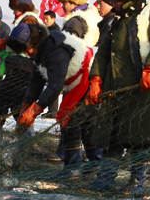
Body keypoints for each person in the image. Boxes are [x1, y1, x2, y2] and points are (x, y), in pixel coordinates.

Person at [86, 0, 150, 194]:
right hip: (116, 91)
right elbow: (103, 53)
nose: (114, 4)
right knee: (113, 138)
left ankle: (137, 181)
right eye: (112, 0)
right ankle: (106, 178)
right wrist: (95, 80)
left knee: (140, 139)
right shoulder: (117, 21)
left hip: (143, 89)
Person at [14, 23, 95, 177]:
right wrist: (26, 105)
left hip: (87, 79)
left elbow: (55, 86)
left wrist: (34, 111)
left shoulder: (57, 51)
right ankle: (74, 168)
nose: (26, 53)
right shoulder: (39, 53)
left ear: (35, 43)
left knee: (77, 123)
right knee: (70, 123)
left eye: (27, 49)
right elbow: (36, 82)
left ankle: (87, 167)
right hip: (72, 82)